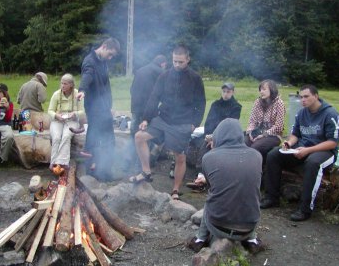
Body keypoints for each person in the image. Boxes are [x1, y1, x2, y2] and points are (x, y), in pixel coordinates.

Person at [129, 45, 206, 199]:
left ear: (188, 59)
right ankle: (146, 171)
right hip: (163, 119)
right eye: (174, 61)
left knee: (180, 156)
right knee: (139, 137)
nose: (177, 65)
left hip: (183, 123)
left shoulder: (195, 78)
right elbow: (154, 97)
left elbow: (201, 103)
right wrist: (146, 118)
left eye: (180, 62)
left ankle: (176, 190)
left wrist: (194, 123)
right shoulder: (164, 76)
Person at [260, 84, 339, 221]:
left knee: (312, 163)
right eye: (301, 97)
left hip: (325, 151)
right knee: (274, 155)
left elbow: (332, 142)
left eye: (306, 96)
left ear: (316, 96)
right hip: (302, 148)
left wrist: (308, 150)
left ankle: (305, 209)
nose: (303, 100)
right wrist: (288, 144)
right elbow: (295, 135)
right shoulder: (301, 113)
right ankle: (272, 197)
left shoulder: (330, 114)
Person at [186, 119, 264, 254]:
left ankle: (200, 239)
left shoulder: (208, 157)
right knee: (247, 194)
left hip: (218, 226)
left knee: (212, 198)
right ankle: (252, 241)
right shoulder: (257, 156)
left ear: (218, 135)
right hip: (249, 227)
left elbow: (212, 187)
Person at [77, 38, 121, 181]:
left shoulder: (103, 62)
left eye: (112, 56)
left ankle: (105, 171)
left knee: (108, 140)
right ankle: (91, 173)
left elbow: (105, 86)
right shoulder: (90, 61)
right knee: (94, 139)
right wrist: (82, 89)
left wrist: (109, 106)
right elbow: (87, 76)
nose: (110, 57)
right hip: (94, 108)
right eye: (110, 54)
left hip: (104, 108)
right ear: (104, 46)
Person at [187, 82, 241, 192]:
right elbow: (208, 122)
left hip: (227, 136)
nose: (225, 94)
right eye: (224, 91)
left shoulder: (236, 107)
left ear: (233, 92)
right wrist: (209, 136)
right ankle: (201, 175)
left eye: (228, 92)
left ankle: (202, 179)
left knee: (210, 147)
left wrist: (216, 138)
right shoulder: (215, 104)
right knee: (203, 143)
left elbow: (230, 126)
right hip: (211, 135)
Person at [48, 74, 84, 172]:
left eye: (65, 84)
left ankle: (62, 163)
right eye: (61, 83)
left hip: (72, 120)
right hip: (57, 120)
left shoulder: (77, 94)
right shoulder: (56, 94)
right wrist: (56, 115)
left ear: (71, 85)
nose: (62, 86)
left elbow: (82, 112)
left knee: (66, 136)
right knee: (56, 137)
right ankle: (53, 162)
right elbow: (50, 110)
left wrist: (75, 114)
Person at [245, 79, 285, 163]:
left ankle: (257, 171)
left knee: (255, 148)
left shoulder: (279, 103)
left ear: (272, 89)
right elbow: (252, 121)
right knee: (243, 143)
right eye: (260, 90)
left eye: (264, 89)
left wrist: (264, 134)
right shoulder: (257, 102)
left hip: (273, 135)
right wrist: (250, 132)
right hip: (257, 132)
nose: (261, 92)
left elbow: (279, 127)